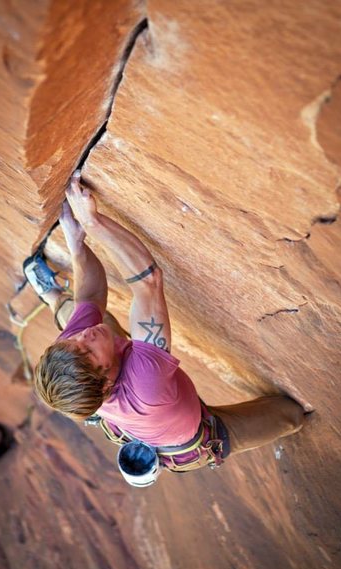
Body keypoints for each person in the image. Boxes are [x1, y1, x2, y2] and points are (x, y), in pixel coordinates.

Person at [27, 171, 309, 486]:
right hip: (189, 439)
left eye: (75, 341)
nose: (84, 336)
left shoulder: (70, 353)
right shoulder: (145, 384)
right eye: (88, 350)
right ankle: (55, 300)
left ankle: (52, 296)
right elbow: (148, 282)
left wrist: (77, 244)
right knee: (291, 415)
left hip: (124, 401)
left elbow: (91, 297)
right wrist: (93, 223)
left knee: (88, 317)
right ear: (105, 384)